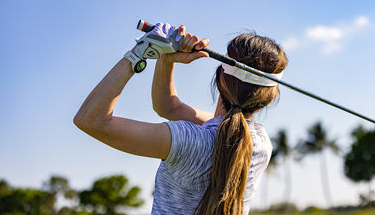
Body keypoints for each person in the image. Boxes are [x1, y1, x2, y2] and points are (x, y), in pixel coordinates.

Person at [74, 23, 288, 215]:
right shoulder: (260, 144)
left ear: (221, 79)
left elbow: (90, 120)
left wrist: (139, 53)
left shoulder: (190, 142)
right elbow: (168, 106)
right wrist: (167, 58)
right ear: (269, 96)